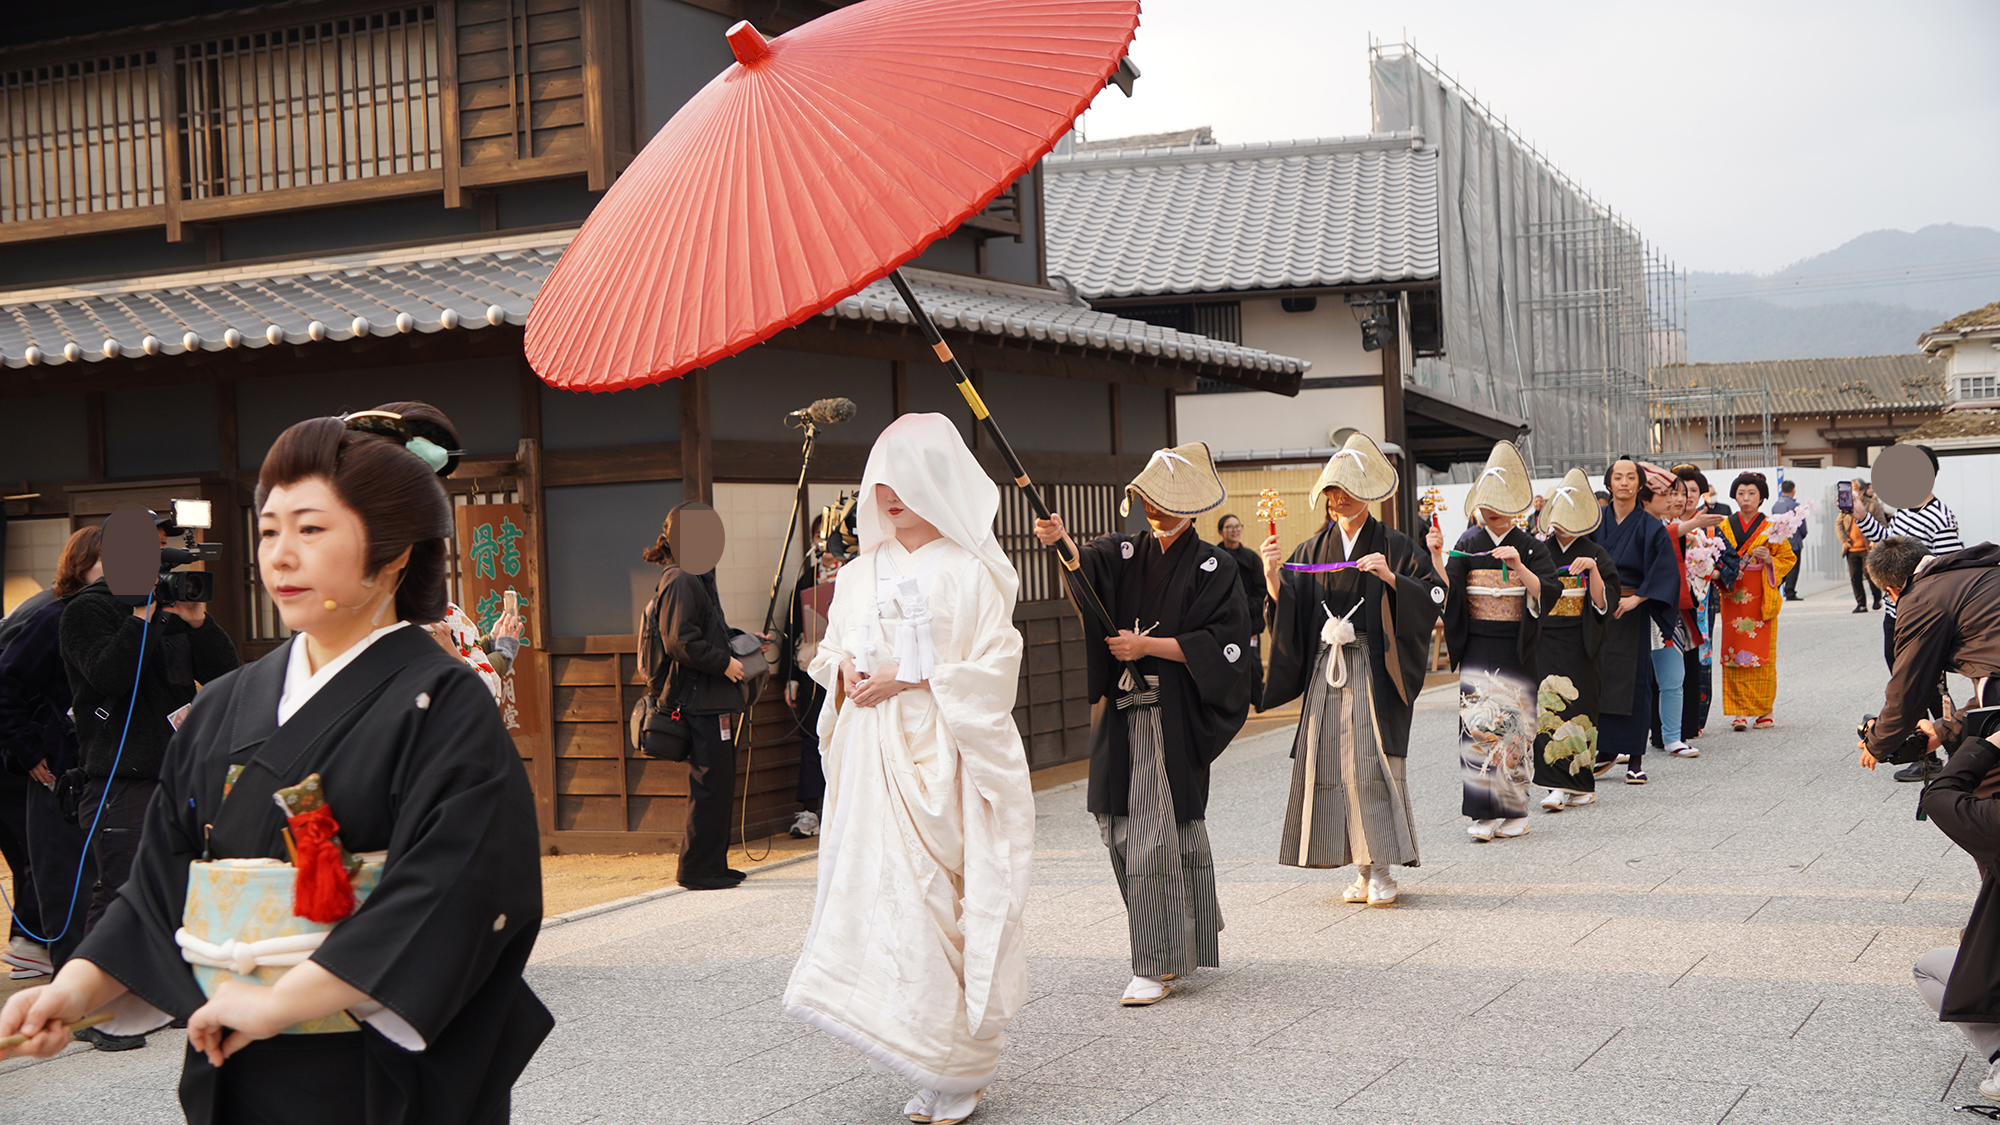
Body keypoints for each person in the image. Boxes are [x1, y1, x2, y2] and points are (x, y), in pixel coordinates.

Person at [0, 403, 553, 1121]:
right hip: (239, 1054)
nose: (280, 555)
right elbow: (161, 881)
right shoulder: (230, 702)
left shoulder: (443, 701)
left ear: (393, 552)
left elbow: (456, 890)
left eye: (311, 529)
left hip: (377, 1072)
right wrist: (72, 989)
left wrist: (283, 998)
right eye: (268, 530)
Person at [784, 414, 1033, 1125]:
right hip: (873, 757)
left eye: (907, 477)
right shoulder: (859, 573)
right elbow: (829, 652)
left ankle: (955, 1067)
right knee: (885, 894)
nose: (890, 493)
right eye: (881, 478)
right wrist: (848, 672)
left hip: (943, 753)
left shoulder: (973, 570)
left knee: (938, 897)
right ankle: (920, 1054)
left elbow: (996, 666)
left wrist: (912, 673)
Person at [1034, 441, 1252, 1006]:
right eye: (1147, 500)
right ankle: (1178, 938)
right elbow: (1086, 570)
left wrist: (1145, 645)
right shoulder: (1124, 551)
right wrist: (1061, 543)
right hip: (1121, 713)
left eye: (1163, 502)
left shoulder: (1215, 565)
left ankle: (1152, 964)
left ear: (1190, 507)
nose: (1152, 510)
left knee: (1155, 836)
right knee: (1119, 828)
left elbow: (1224, 645)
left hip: (1170, 714)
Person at [59, 509, 239, 1049]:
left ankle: (176, 993)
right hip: (120, 774)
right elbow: (109, 675)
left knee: (185, 884)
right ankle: (96, 1009)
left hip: (181, 767)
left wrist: (198, 620)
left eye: (161, 546)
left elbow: (226, 673)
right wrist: (140, 615)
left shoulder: (170, 607)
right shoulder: (85, 612)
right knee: (120, 887)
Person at [1261, 432, 1442, 905]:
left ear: (1365, 493)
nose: (1336, 499)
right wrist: (1272, 579)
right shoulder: (1309, 548)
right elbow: (1290, 611)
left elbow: (1436, 595)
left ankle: (1381, 868)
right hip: (1327, 667)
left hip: (1373, 667)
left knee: (1371, 765)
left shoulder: (1395, 544)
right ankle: (1360, 869)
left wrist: (1391, 577)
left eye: (1344, 490)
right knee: (1331, 766)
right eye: (1330, 491)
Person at [1853, 538, 2000, 1099]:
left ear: (1890, 589)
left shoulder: (1922, 597)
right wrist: (1952, 727)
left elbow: (1907, 683)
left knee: (1969, 810)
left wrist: (1884, 741)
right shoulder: (1982, 565)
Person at [1434, 441, 1558, 842]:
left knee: (1516, 728)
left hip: (1515, 645)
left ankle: (1516, 810)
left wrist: (1519, 566)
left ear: (1516, 506)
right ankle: (1483, 812)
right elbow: (1448, 591)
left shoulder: (1530, 546)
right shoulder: (1469, 542)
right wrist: (1437, 556)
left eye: (1499, 503)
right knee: (1477, 726)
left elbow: (1547, 591)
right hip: (1477, 643)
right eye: (1485, 502)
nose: (1491, 511)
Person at [0, 527, 102, 976]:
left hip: (96, 764)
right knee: (58, 873)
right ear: (80, 564)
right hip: (45, 766)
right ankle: (52, 959)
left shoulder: (119, 613)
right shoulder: (52, 615)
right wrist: (27, 749)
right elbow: (7, 683)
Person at [641, 502, 757, 891]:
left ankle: (713, 864)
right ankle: (697, 869)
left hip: (711, 698)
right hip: (700, 699)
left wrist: (749, 641)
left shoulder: (696, 576)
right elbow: (680, 641)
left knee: (717, 783)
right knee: (710, 784)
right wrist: (724, 664)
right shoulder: (681, 579)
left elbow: (708, 630)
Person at [1851, 447, 1963, 781]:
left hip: (1922, 616)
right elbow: (1888, 545)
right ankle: (1924, 749)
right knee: (1910, 684)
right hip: (1895, 612)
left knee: (1927, 687)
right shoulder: (1904, 511)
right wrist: (1861, 517)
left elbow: (1947, 569)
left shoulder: (1941, 516)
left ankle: (1948, 755)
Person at [1528, 471, 1620, 812]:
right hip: (1546, 639)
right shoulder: (1540, 551)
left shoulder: (1595, 552)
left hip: (1582, 641)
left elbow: (1602, 603)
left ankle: (1580, 784)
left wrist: (1593, 570)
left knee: (1581, 707)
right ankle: (1555, 786)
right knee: (1546, 709)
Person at [1593, 457, 1680, 785]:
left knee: (1636, 679)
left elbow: (1664, 569)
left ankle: (1635, 758)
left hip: (1632, 608)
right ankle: (1603, 751)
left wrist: (1637, 598)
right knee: (1599, 678)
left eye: (1631, 477)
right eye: (1618, 477)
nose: (1624, 482)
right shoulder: (1594, 521)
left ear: (1640, 484)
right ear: (1609, 482)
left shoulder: (1649, 525)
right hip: (1600, 609)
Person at [1717, 471, 1797, 732]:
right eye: (1741, 493)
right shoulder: (1725, 526)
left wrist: (1770, 559)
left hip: (1760, 593)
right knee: (1734, 654)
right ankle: (1738, 712)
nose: (1746, 498)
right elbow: (1715, 556)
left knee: (1762, 655)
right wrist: (1727, 568)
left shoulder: (1772, 527)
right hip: (1734, 593)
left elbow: (1788, 558)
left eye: (1752, 493)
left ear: (1762, 497)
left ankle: (1764, 710)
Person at [784, 513, 845, 839]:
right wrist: (791, 676)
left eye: (831, 535)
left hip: (849, 670)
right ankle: (809, 810)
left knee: (847, 736)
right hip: (812, 668)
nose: (824, 543)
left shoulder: (855, 574)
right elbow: (793, 627)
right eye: (819, 537)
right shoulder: (808, 578)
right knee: (812, 738)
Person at [1667, 467, 1736, 744]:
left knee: (1698, 656)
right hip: (1669, 601)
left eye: (1693, 491)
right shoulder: (1662, 523)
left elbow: (1730, 563)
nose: (1687, 497)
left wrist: (1710, 572)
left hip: (1700, 602)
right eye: (1680, 491)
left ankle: (1693, 720)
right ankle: (1665, 722)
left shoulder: (1710, 526)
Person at [1217, 513, 1268, 711]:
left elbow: (1260, 589)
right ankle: (1229, 704)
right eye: (1229, 527)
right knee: (1226, 664)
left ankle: (1258, 700)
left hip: (1249, 621)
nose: (1234, 530)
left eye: (1238, 526)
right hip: (1223, 621)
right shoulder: (1215, 556)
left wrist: (1245, 608)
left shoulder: (1251, 558)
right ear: (1220, 531)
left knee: (1253, 664)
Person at [1837, 490, 1881, 612]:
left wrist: (1874, 540)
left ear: (1861, 490)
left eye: (1854, 488)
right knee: (1855, 577)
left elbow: (1881, 522)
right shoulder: (1846, 507)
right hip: (1851, 548)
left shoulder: (1872, 504)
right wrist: (1844, 539)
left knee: (1870, 575)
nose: (1852, 491)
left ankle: (1877, 598)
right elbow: (1839, 523)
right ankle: (1861, 604)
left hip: (1867, 549)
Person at [1770, 479, 1807, 601]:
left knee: (1781, 565)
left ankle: (1778, 586)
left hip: (1779, 541)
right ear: (1793, 490)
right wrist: (1802, 535)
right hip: (1794, 541)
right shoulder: (1795, 506)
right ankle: (1790, 592)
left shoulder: (1776, 505)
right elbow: (1802, 525)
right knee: (1793, 566)